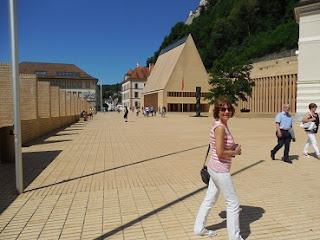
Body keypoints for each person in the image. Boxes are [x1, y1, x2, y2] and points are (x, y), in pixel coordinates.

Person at [194, 97, 243, 240]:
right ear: (217, 111)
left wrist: (233, 147)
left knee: (210, 199)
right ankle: (235, 237)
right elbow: (220, 152)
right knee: (233, 202)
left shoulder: (221, 125)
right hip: (220, 169)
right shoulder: (220, 127)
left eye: (228, 109)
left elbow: (219, 148)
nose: (226, 111)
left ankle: (199, 228)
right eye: (223, 109)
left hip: (214, 167)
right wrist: (235, 152)